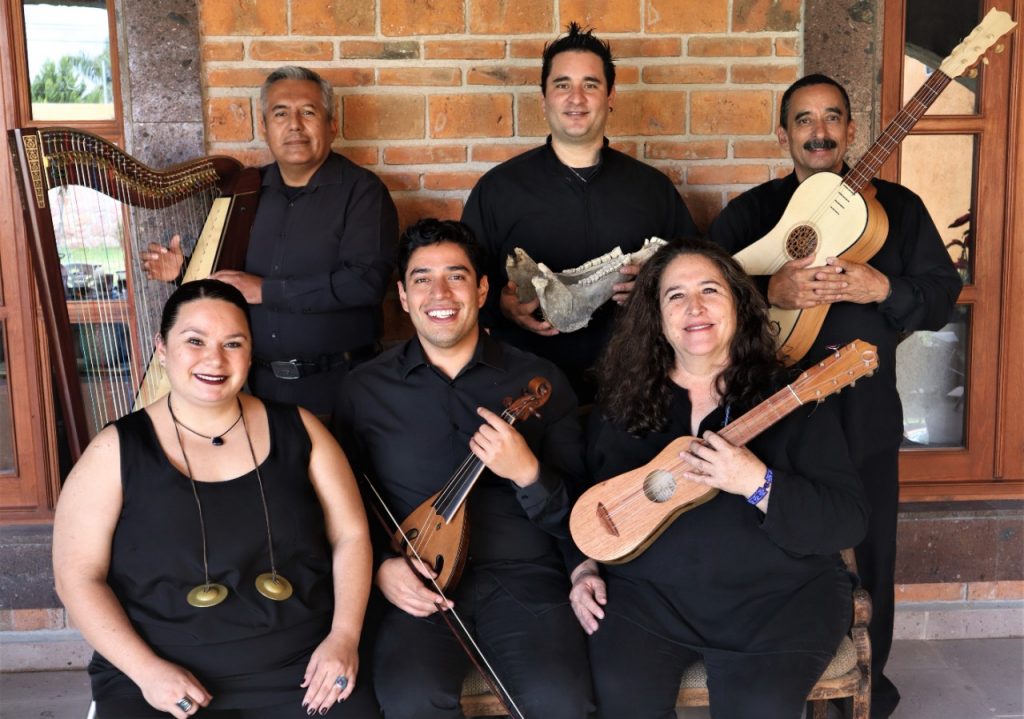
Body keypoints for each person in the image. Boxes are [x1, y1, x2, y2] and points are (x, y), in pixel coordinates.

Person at [707, 73, 962, 718]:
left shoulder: (899, 210)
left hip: (864, 412)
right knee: (776, 540)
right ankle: (779, 683)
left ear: (851, 130)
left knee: (871, 550)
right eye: (802, 119)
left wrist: (884, 291)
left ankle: (868, 694)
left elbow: (940, 295)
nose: (818, 132)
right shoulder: (751, 214)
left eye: (832, 118)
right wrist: (769, 293)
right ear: (784, 132)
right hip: (772, 419)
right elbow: (694, 302)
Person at [569, 239, 868, 718]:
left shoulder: (791, 398)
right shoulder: (622, 399)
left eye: (710, 290)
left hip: (779, 602)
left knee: (758, 707)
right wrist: (581, 566)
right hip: (648, 601)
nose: (695, 308)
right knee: (622, 700)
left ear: (738, 304)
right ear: (656, 316)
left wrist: (757, 482)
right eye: (675, 295)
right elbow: (581, 494)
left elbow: (847, 521)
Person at [52, 279, 377, 718]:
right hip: (161, 671)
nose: (214, 358)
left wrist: (344, 637)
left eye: (233, 343)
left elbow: (352, 535)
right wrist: (146, 671)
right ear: (162, 349)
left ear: (250, 352)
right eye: (194, 341)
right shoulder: (113, 451)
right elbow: (77, 577)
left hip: (300, 667)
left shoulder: (301, 429)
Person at [333, 219, 593, 719]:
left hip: (524, 580)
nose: (440, 292)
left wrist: (528, 473)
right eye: (421, 279)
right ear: (404, 298)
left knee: (560, 700)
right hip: (415, 580)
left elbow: (580, 513)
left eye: (456, 276)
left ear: (481, 289)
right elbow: (346, 504)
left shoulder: (539, 380)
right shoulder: (363, 391)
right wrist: (383, 571)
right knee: (411, 698)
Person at [143, 66, 398, 417]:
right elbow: (234, 280)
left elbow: (365, 283)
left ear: (332, 125)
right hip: (256, 391)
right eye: (280, 114)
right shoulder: (246, 191)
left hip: (341, 388)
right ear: (264, 127)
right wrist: (183, 270)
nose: (294, 125)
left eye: (308, 112)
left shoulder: (363, 192)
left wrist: (267, 290)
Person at [462, 22, 696, 402]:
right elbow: (464, 284)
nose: (576, 98)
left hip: (638, 386)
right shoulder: (498, 190)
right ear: (543, 99)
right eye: (562, 85)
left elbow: (698, 272)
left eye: (590, 84)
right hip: (527, 391)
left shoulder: (653, 190)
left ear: (610, 96)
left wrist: (656, 285)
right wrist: (501, 306)